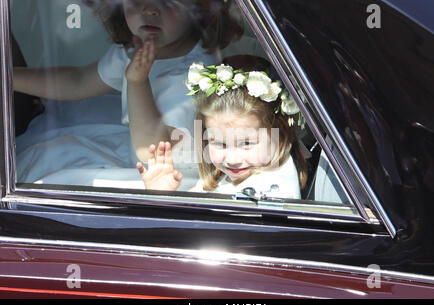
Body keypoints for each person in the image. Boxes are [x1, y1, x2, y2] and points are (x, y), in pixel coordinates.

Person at [13, 0, 243, 163]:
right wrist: (9, 77)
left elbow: (154, 152)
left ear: (201, 8)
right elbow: (79, 81)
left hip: (163, 176)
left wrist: (137, 82)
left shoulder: (198, 74)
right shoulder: (138, 49)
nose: (150, 8)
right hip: (131, 148)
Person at [137, 56, 308, 198]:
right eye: (219, 143)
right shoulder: (239, 173)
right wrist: (162, 195)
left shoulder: (265, 191)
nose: (232, 159)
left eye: (246, 143)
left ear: (281, 133)